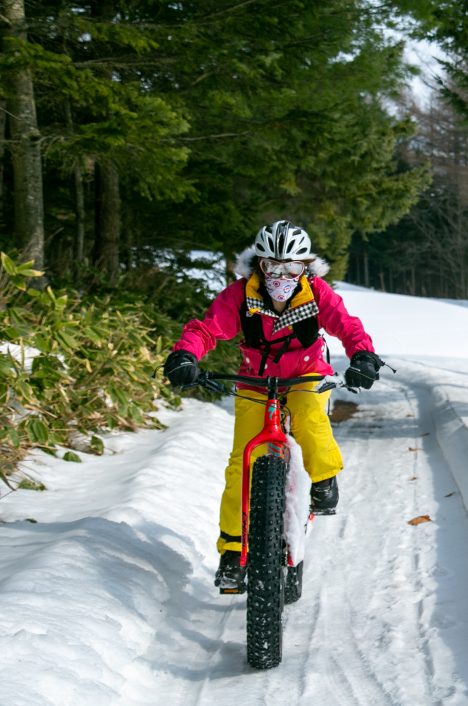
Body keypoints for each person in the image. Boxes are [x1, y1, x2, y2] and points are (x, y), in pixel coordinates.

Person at [163, 220, 384, 591]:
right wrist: (185, 354)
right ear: (258, 265)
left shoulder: (317, 293)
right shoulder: (240, 294)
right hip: (254, 379)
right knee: (241, 464)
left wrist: (363, 356)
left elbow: (347, 326)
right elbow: (207, 329)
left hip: (306, 373)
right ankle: (234, 550)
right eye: (272, 268)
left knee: (310, 417)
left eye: (292, 268)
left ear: (307, 267)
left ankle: (324, 478)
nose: (281, 276)